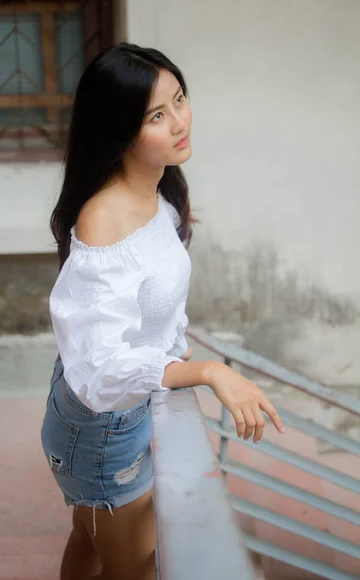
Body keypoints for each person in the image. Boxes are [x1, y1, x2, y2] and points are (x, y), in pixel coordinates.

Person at [41, 42, 285, 580]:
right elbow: (100, 371)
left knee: (89, 537)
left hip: (110, 411)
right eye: (156, 115)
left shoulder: (162, 193)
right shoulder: (104, 220)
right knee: (136, 566)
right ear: (120, 129)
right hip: (102, 421)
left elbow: (157, 297)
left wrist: (175, 350)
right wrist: (206, 372)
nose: (179, 122)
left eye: (179, 99)